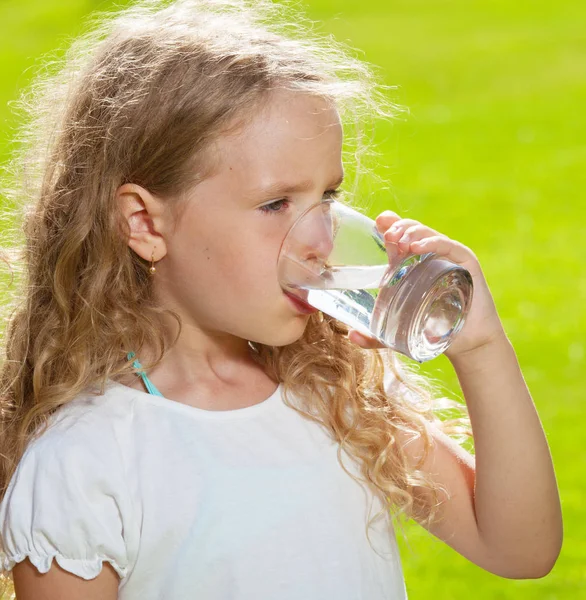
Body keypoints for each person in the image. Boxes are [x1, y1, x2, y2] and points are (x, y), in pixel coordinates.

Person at [0, 1, 562, 598]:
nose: (322, 240)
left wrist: (479, 346)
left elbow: (519, 548)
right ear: (144, 223)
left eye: (327, 196)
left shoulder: (332, 388)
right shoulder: (85, 464)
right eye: (276, 205)